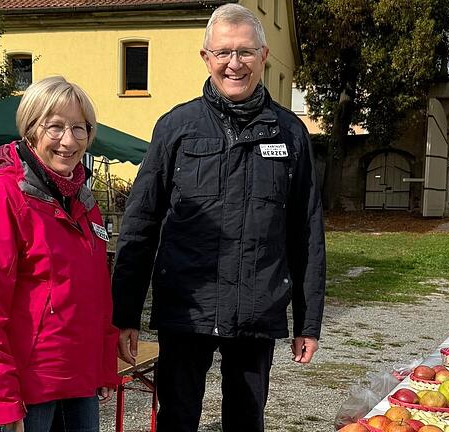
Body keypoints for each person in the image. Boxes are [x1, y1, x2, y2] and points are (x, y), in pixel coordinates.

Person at [111, 4, 325, 432]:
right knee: (178, 418)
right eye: (223, 52)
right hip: (187, 309)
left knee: (247, 420)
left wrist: (309, 320)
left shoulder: (290, 134)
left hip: (256, 309)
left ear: (264, 56)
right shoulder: (176, 128)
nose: (234, 63)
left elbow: (306, 231)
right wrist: (125, 314)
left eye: (245, 52)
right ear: (206, 57)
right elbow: (141, 225)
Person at [0, 76, 119, 432]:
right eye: (56, 127)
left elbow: (97, 295)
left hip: (79, 382)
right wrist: (1, 400)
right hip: (29, 390)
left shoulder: (83, 201)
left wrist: (105, 364)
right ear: (31, 130)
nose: (69, 140)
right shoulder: (0, 198)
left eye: (80, 128)